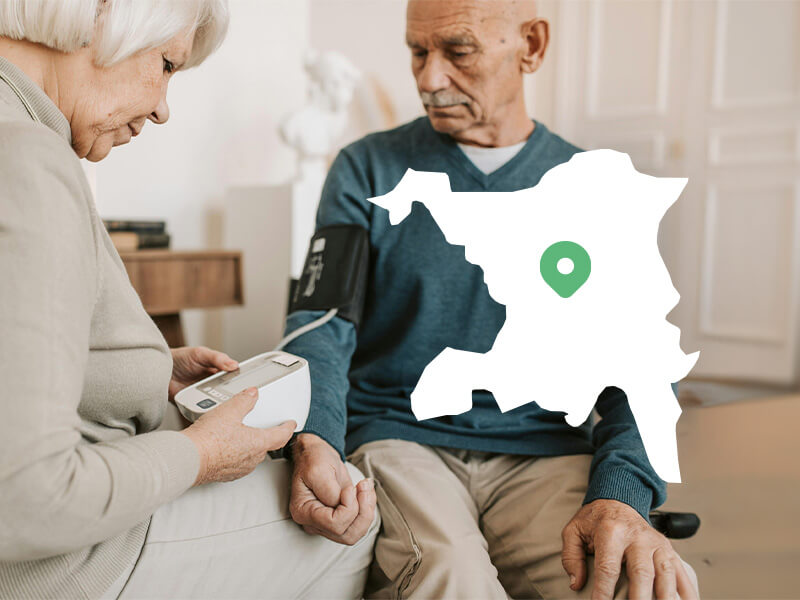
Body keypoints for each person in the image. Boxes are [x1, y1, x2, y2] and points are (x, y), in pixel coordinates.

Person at [283, 0, 699, 598]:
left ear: (530, 46)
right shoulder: (366, 170)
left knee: (626, 583)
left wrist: (621, 497)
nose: (429, 78)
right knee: (451, 574)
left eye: (457, 51)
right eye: (417, 52)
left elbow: (642, 373)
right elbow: (321, 322)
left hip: (543, 450)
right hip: (403, 437)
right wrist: (315, 438)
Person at [0, 1, 377, 598]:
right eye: (168, 63)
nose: (163, 109)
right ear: (101, 18)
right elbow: (25, 495)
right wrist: (196, 456)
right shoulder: (28, 159)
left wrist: (141, 366)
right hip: (57, 567)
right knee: (354, 519)